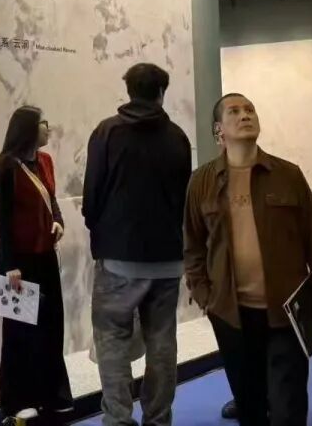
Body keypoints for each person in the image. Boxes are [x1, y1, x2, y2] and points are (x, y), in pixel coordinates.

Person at [184, 93, 312, 426]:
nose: (245, 115)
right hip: (231, 316)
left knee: (288, 408)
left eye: (250, 110)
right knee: (250, 407)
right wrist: (205, 297)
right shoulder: (201, 182)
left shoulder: (288, 175)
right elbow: (193, 247)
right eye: (234, 111)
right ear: (218, 130)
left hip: (286, 314)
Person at [83, 64, 192, 426]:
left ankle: (118, 418)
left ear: (128, 91)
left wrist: (102, 233)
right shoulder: (177, 137)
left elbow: (91, 194)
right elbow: (182, 197)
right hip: (167, 258)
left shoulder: (106, 132)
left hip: (117, 256)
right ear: (162, 93)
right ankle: (158, 419)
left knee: (112, 341)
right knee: (162, 342)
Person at [0, 105, 72, 425]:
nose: (48, 128)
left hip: (45, 256)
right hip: (19, 262)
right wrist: (9, 263)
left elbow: (52, 200)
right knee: (19, 332)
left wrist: (58, 221)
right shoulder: (6, 167)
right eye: (42, 124)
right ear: (27, 129)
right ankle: (17, 400)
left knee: (51, 327)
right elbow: (1, 218)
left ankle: (51, 394)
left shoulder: (45, 161)